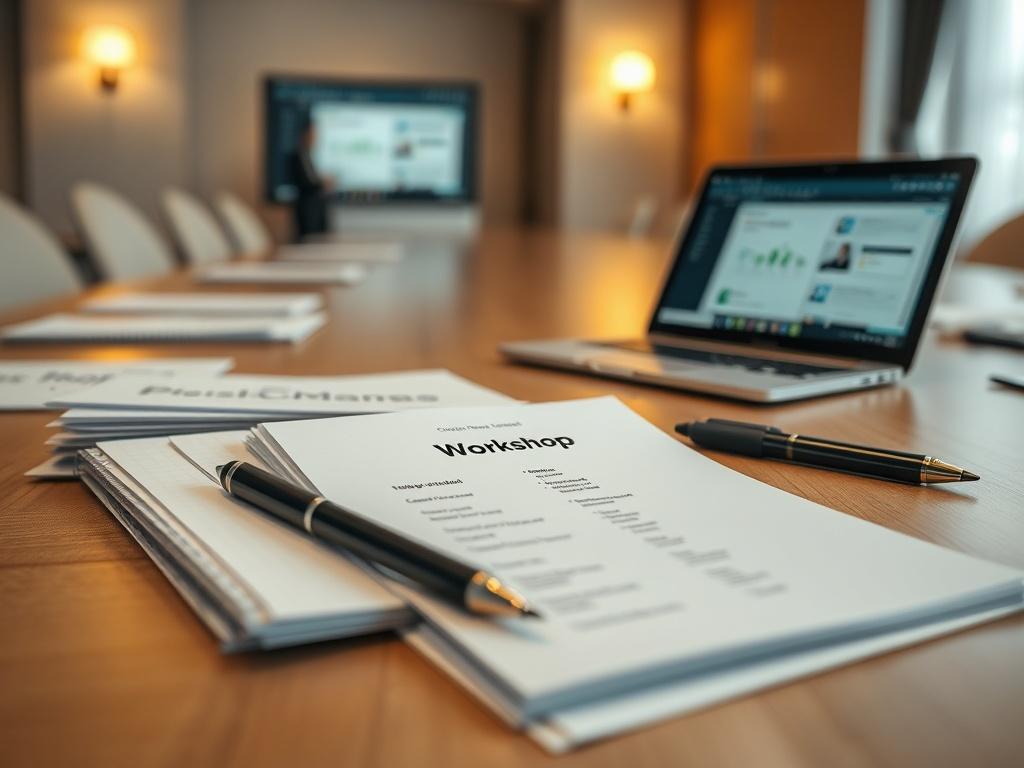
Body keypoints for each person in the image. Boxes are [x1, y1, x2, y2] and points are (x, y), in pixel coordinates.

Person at [288, 111, 332, 241]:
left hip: (317, 207)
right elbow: (306, 182)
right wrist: (323, 183)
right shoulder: (298, 156)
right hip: (307, 208)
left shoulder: (309, 155)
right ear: (305, 133)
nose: (315, 137)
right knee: (308, 240)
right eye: (312, 133)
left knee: (319, 240)